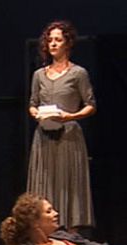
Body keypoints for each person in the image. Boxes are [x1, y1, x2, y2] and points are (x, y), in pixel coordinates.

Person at [27, 20, 97, 232]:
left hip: (68, 134)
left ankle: (71, 236)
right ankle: (44, 235)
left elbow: (91, 105)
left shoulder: (78, 73)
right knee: (44, 182)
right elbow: (32, 104)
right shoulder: (39, 75)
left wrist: (70, 116)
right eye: (50, 40)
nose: (53, 44)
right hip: (44, 135)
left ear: (68, 43)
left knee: (69, 183)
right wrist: (37, 114)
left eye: (58, 40)